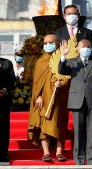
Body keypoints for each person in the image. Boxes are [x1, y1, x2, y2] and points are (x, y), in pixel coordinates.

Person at [59, 39, 92, 165]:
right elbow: (62, 70)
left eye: (89, 46)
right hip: (77, 100)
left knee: (91, 133)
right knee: (78, 133)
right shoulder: (72, 62)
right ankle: (78, 161)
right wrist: (63, 56)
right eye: (83, 46)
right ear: (77, 49)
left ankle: (90, 162)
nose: (86, 48)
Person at [27, 34, 69, 162]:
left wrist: (62, 82)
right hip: (44, 99)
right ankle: (46, 153)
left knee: (59, 123)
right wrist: (38, 96)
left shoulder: (63, 58)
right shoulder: (40, 61)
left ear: (57, 44)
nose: (47, 45)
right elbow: (36, 82)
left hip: (59, 97)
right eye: (45, 43)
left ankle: (59, 151)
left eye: (50, 42)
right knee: (44, 124)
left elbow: (69, 75)